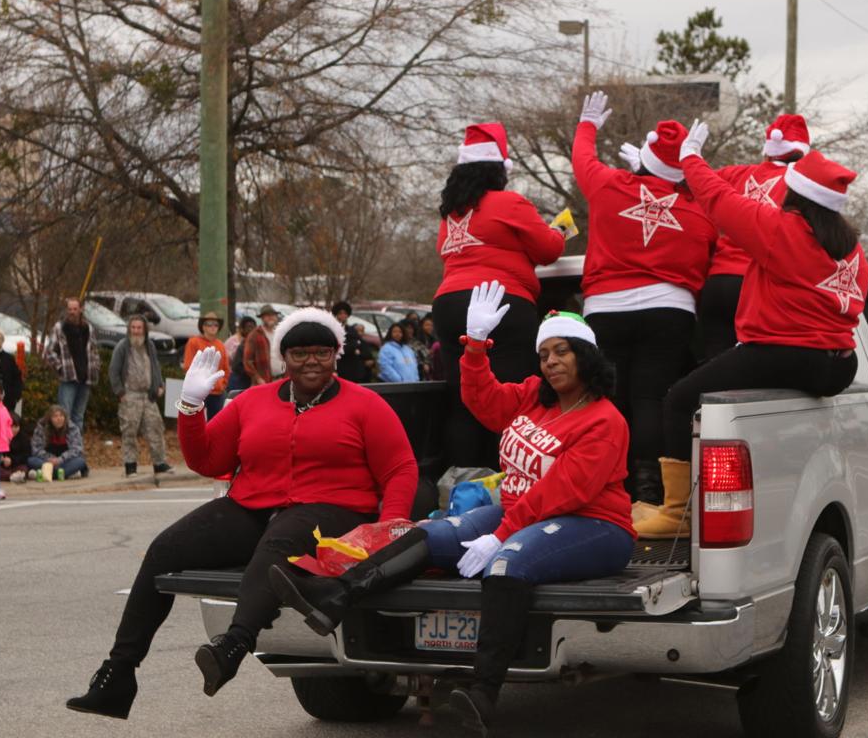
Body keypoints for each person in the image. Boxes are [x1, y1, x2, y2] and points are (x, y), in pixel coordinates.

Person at [270, 283, 634, 734]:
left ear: (586, 355)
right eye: (544, 354)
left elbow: (564, 491)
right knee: (428, 532)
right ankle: (336, 596)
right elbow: (482, 400)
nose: (551, 362)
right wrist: (476, 348)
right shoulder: (534, 396)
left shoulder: (604, 420)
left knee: (505, 567)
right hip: (523, 512)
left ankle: (482, 693)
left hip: (592, 523)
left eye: (562, 352)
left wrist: (502, 535)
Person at [66, 308, 418, 720]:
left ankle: (234, 644)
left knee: (277, 545)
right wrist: (192, 406)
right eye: (300, 353)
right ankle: (118, 673)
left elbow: (400, 468)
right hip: (254, 501)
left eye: (321, 353)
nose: (311, 361)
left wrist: (387, 526)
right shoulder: (252, 401)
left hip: (333, 507)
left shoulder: (366, 405)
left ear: (336, 355)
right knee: (164, 549)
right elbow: (207, 458)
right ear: (283, 359)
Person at [641, 122, 868, 539]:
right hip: (839, 365)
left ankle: (677, 511)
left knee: (679, 400)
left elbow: (718, 198)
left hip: (784, 353)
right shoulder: (852, 248)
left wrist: (690, 156)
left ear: (795, 193)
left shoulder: (782, 231)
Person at [572, 92, 717, 505]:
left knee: (610, 401)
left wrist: (586, 127)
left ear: (644, 157)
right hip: (669, 312)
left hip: (605, 309)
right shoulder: (699, 210)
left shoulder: (608, 185)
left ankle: (608, 486)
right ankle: (649, 488)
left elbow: (583, 160)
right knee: (651, 398)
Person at [431, 122, 567, 468]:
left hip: (448, 305)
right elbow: (549, 249)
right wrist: (559, 230)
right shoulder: (509, 203)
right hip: (499, 303)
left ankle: (460, 484)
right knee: (506, 398)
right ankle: (504, 481)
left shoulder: (451, 214)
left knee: (462, 399)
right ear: (498, 170)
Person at [698, 114, 811, 360]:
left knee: (711, 372)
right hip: (757, 288)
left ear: (768, 150)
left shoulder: (734, 174)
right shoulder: (801, 184)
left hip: (717, 284)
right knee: (748, 375)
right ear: (803, 151)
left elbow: (695, 184)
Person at [109, 315, 171, 477]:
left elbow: (155, 367)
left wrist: (159, 385)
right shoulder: (122, 346)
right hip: (130, 395)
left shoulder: (149, 346)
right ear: (129, 329)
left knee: (155, 428)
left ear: (144, 329)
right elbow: (113, 371)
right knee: (129, 431)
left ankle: (160, 463)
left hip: (148, 396)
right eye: (133, 328)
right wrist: (120, 392)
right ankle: (130, 466)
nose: (136, 331)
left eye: (139, 328)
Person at [45, 297, 100, 431]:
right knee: (64, 416)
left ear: (81, 309)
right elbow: (49, 352)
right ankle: (64, 447)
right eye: (69, 309)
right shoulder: (60, 328)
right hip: (68, 379)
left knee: (79, 417)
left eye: (75, 309)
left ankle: (76, 448)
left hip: (85, 379)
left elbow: (94, 351)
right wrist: (60, 367)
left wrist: (95, 367)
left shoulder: (89, 328)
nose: (72, 312)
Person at [183, 311, 231, 419]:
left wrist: (222, 384)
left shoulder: (221, 345)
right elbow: (188, 366)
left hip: (217, 393)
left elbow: (226, 369)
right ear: (203, 327)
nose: (213, 327)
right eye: (209, 324)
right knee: (194, 422)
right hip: (198, 392)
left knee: (216, 424)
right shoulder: (193, 342)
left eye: (216, 325)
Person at [29, 404, 88, 480]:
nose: (59, 419)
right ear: (49, 418)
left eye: (61, 416)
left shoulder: (72, 428)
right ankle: (64, 474)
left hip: (65, 461)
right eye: (55, 416)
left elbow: (77, 449)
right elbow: (36, 449)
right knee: (31, 460)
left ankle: (47, 473)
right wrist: (49, 458)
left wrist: (60, 459)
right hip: (47, 461)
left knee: (80, 461)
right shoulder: (41, 428)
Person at [331, 302, 373, 384]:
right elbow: (338, 348)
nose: (343, 316)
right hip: (341, 367)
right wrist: (354, 347)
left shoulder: (351, 330)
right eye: (340, 313)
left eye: (345, 313)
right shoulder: (333, 330)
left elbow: (361, 344)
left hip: (354, 369)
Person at [242, 305, 279, 385]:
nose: (271, 317)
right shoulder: (254, 335)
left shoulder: (280, 333)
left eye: (273, 315)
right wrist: (258, 378)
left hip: (281, 379)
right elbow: (247, 361)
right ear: (262, 318)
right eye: (267, 315)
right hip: (264, 382)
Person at [226, 316, 257, 395]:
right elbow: (236, 366)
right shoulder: (243, 345)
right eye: (248, 327)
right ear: (242, 330)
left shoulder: (255, 344)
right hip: (238, 383)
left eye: (253, 327)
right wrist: (252, 373)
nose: (251, 330)